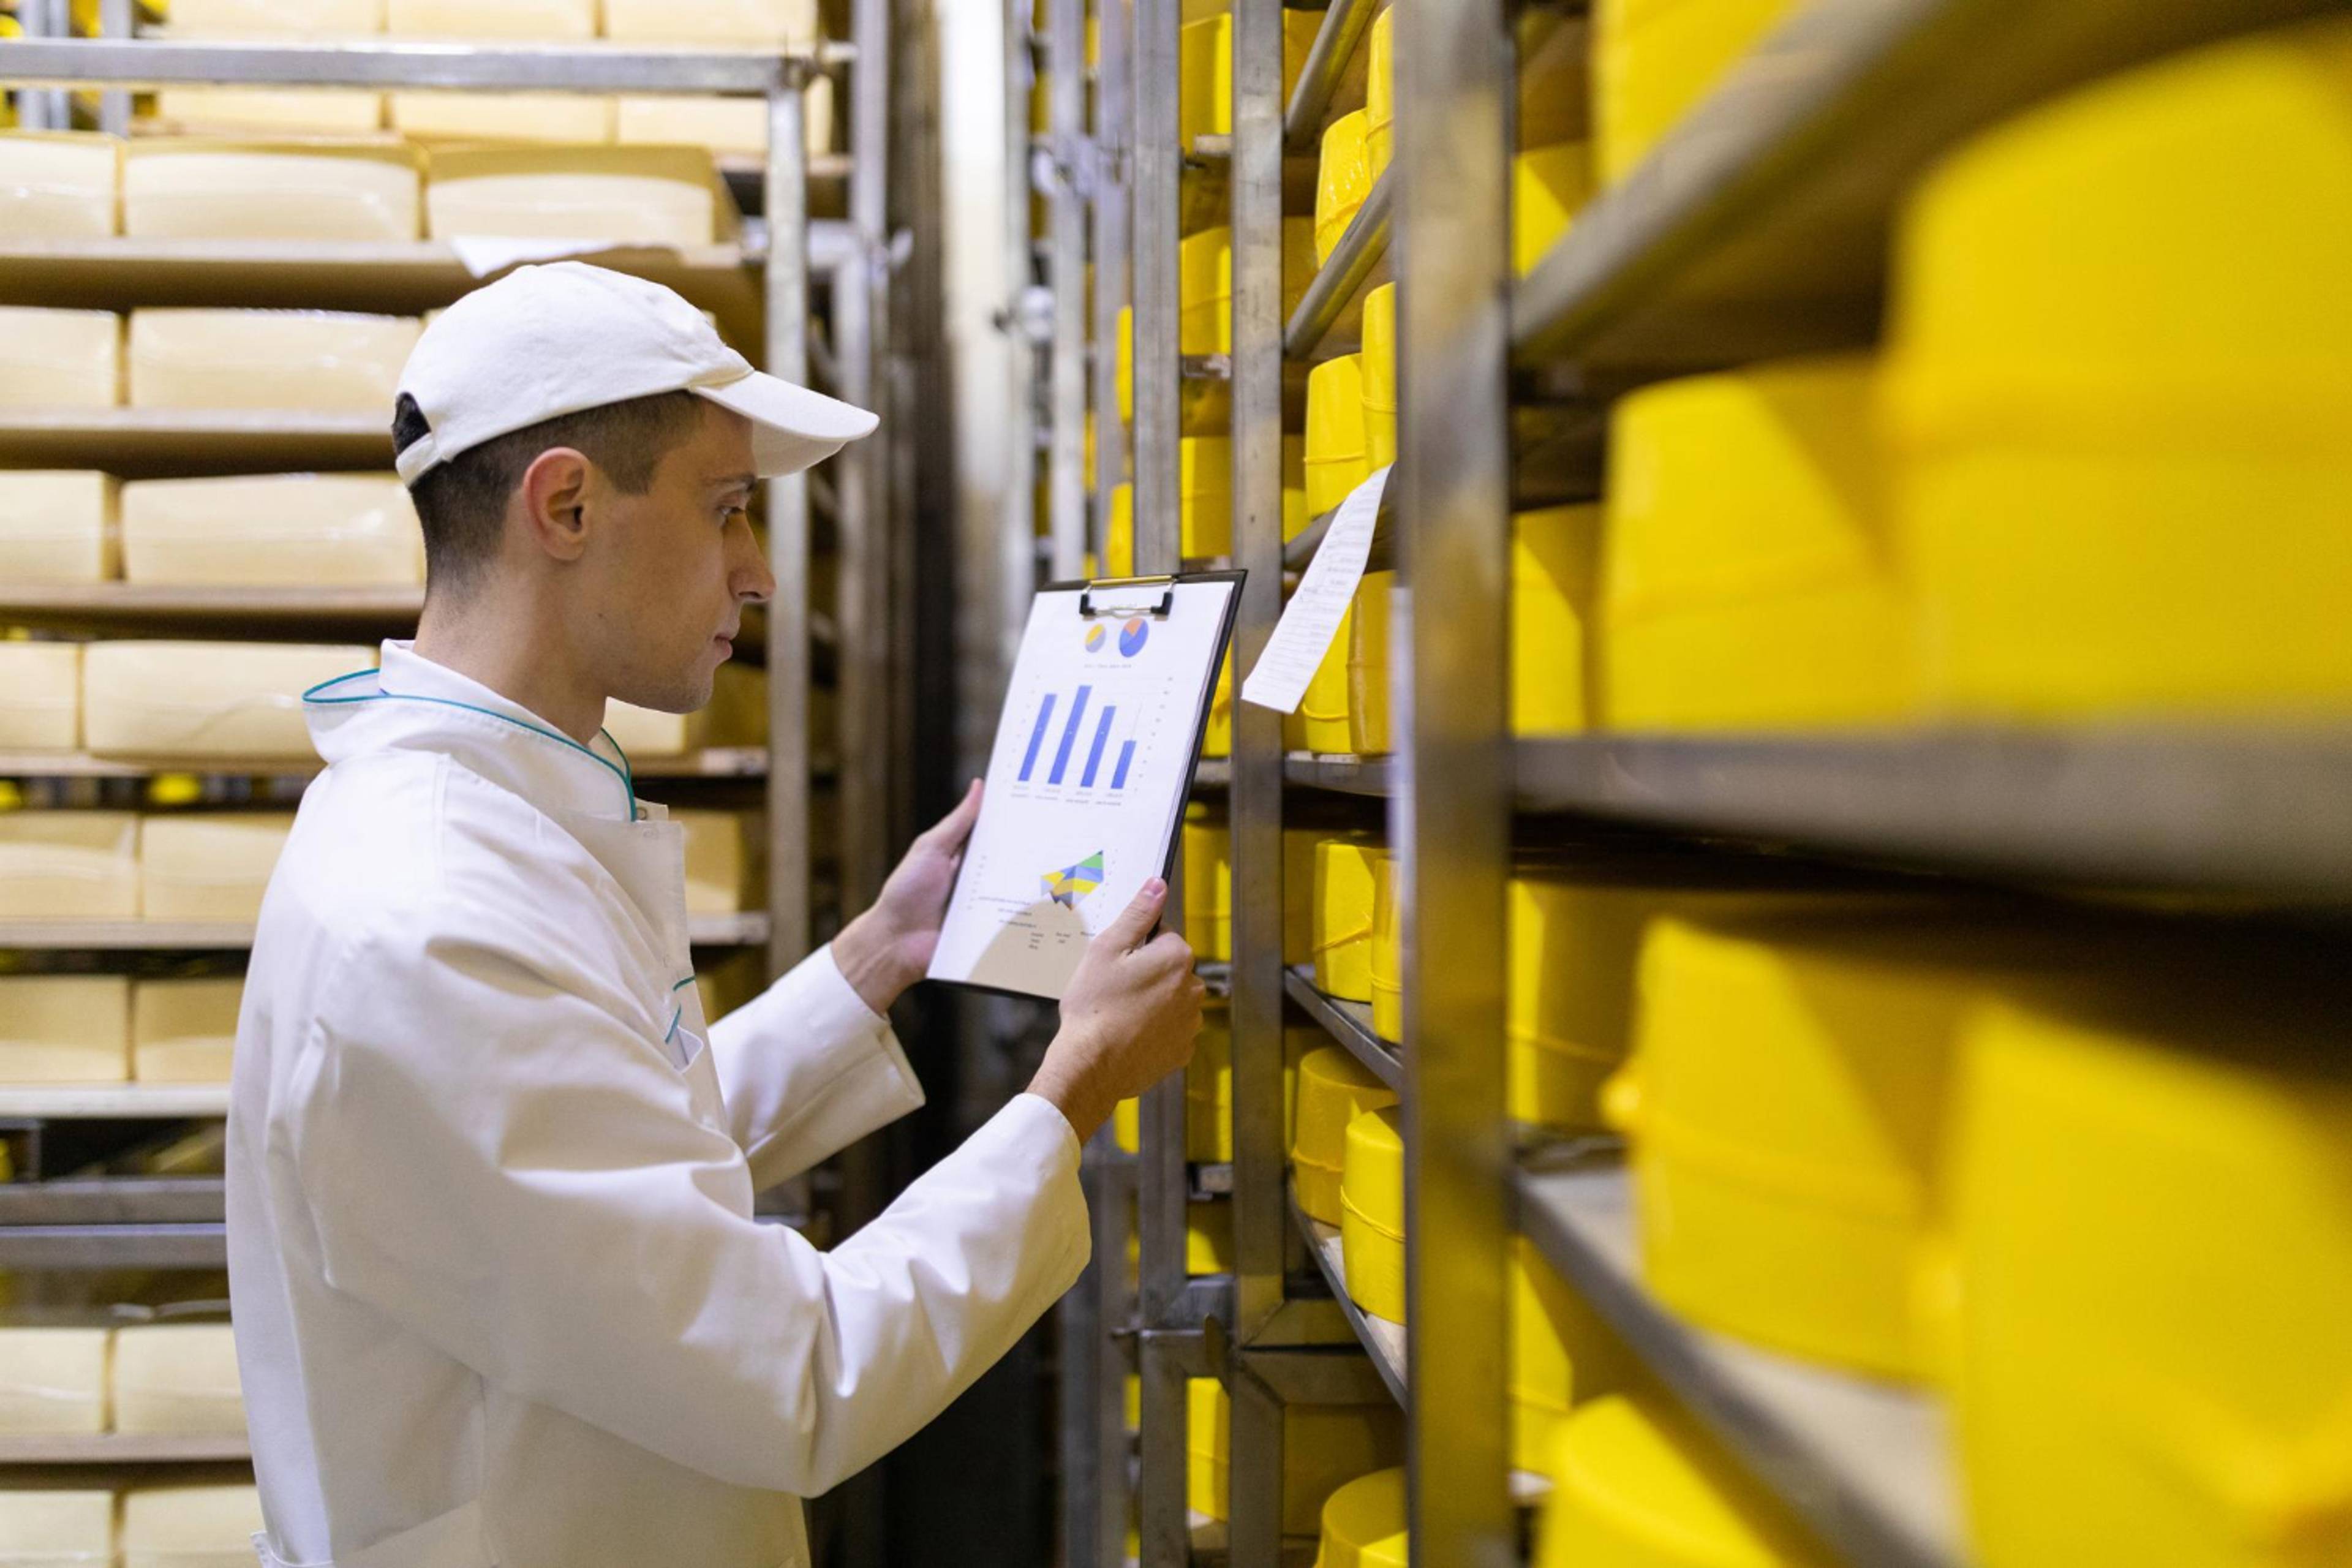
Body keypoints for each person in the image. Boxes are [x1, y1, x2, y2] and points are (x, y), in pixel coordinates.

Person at [227, 262, 1204, 1568]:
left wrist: (875, 957)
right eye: (729, 510)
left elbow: (615, 1148)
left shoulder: (489, 828)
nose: (759, 575)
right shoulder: (429, 916)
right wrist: (1075, 1086)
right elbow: (798, 1371)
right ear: (566, 503)